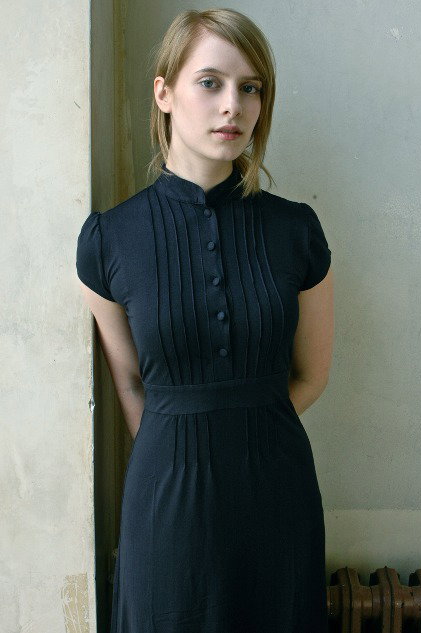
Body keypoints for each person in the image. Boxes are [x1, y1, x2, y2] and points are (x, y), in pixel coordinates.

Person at [76, 8, 334, 632]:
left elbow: (312, 374)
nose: (233, 106)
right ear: (164, 93)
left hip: (277, 494)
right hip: (165, 503)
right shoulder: (109, 240)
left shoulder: (296, 230)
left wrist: (242, 429)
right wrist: (181, 442)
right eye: (211, 82)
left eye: (251, 88)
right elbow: (130, 383)